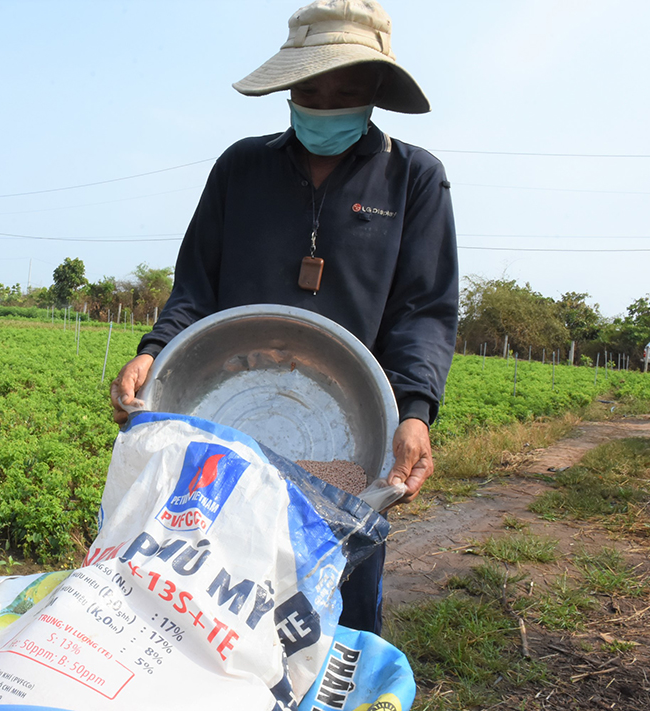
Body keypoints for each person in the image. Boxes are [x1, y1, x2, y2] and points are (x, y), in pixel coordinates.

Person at [109, 0, 457, 635]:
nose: (325, 103)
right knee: (211, 601)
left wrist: (413, 412)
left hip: (348, 436)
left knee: (332, 615)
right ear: (288, 88)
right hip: (230, 418)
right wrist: (154, 350)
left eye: (346, 87)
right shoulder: (242, 168)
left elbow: (423, 312)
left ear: (376, 89)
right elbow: (195, 288)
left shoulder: (413, 180)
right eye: (310, 87)